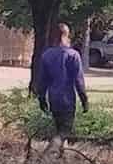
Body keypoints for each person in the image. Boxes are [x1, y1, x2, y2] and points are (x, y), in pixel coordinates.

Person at [35, 23, 88, 154]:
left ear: (53, 36)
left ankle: (60, 156)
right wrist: (84, 100)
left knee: (59, 128)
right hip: (68, 99)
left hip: (53, 98)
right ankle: (49, 152)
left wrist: (42, 99)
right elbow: (79, 81)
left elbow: (42, 81)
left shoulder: (46, 55)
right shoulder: (73, 55)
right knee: (64, 131)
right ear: (67, 35)